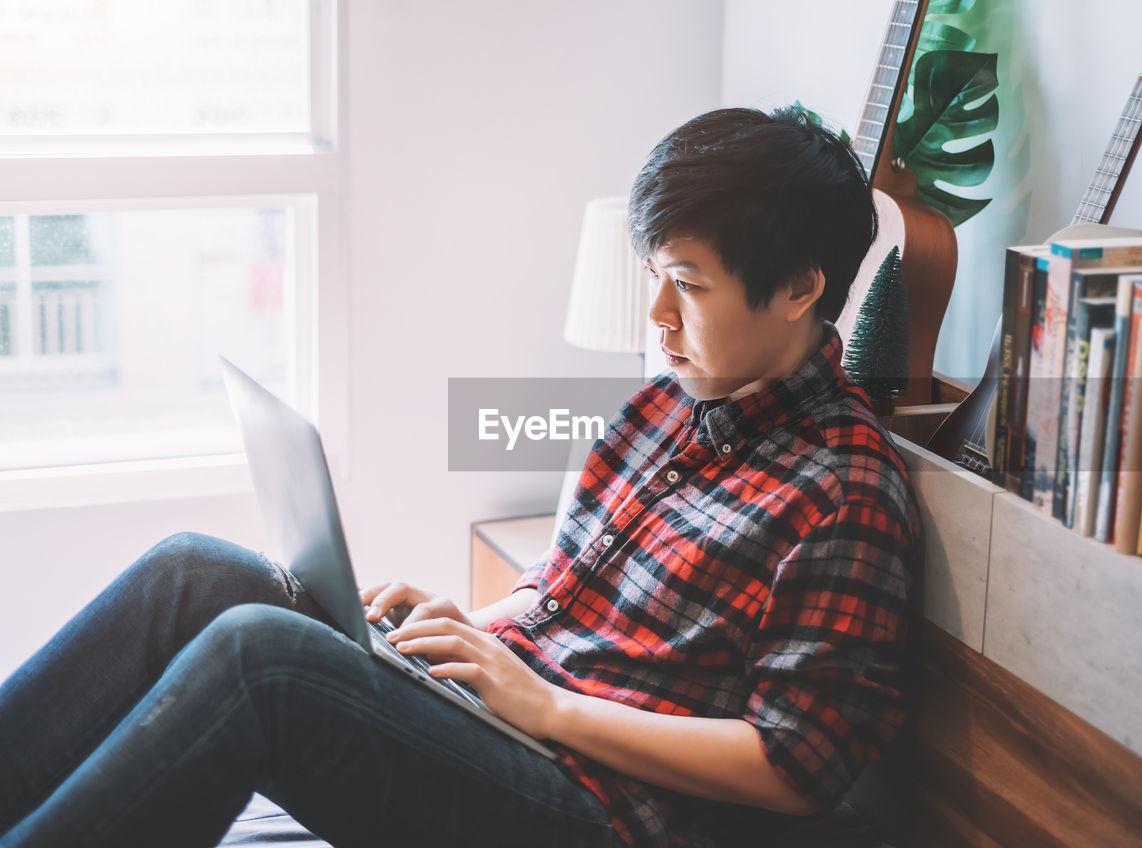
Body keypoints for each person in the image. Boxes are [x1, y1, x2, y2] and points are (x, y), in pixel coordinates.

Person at [0, 105, 920, 848]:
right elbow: (566, 595)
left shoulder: (844, 492)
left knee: (260, 659)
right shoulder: (660, 408)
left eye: (688, 284)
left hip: (595, 806)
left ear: (800, 289)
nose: (657, 314)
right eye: (653, 276)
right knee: (193, 572)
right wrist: (464, 629)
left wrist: (551, 709)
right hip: (519, 725)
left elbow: (796, 768)